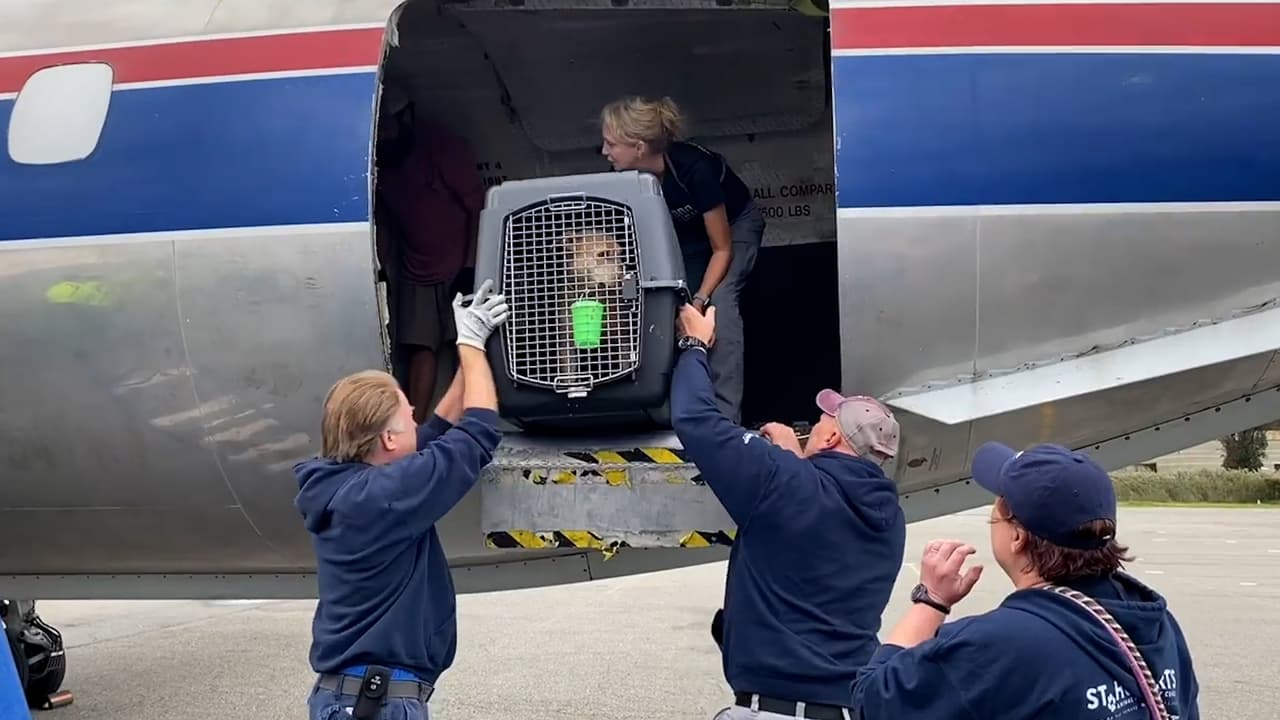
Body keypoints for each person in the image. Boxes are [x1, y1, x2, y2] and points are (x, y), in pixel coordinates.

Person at [671, 304, 907, 720]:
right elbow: (815, 513)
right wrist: (792, 459)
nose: (814, 425)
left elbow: (696, 420)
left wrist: (694, 344)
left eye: (820, 421)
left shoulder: (784, 482)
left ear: (832, 435)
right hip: (847, 706)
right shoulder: (889, 519)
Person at [852, 442, 1201, 719]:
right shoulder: (1156, 624)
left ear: (1018, 536)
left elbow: (873, 699)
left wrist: (930, 600)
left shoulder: (998, 645)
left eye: (997, 503)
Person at [294, 279, 509, 720]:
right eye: (407, 413)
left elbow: (440, 432)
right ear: (389, 439)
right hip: (375, 705)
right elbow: (479, 432)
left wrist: (468, 347)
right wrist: (469, 343)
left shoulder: (356, 486)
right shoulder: (381, 498)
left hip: (360, 700)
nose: (417, 415)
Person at [600, 95, 764, 424]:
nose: (604, 152)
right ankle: (675, 412)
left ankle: (725, 419)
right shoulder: (628, 176)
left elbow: (722, 249)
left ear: (638, 147)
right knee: (673, 304)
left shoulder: (694, 169)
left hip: (734, 228)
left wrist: (701, 300)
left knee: (720, 304)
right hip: (688, 235)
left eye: (610, 144)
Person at [376, 82, 486, 423]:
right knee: (420, 348)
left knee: (463, 347)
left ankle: (469, 423)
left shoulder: (443, 147)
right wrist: (381, 263)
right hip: (415, 265)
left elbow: (477, 205)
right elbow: (384, 220)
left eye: (393, 129)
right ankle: (416, 426)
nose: (388, 137)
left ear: (406, 118)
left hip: (458, 261)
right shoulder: (379, 157)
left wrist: (471, 267)